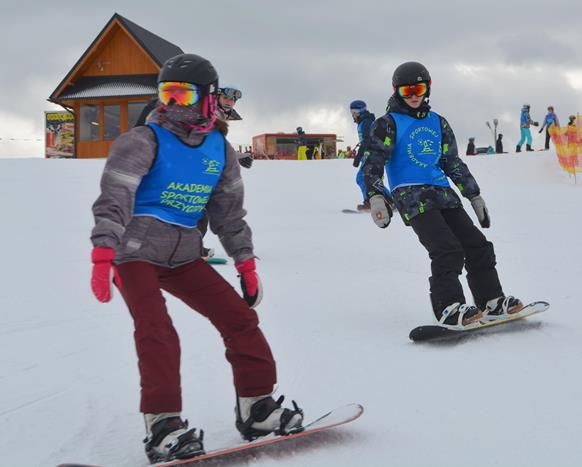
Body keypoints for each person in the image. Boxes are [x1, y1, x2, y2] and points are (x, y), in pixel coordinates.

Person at [89, 53, 303, 463]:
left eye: (183, 94)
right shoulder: (143, 140)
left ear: (207, 97)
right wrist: (103, 254)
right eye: (166, 93)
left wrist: (245, 262)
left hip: (184, 256)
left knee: (239, 320)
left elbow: (228, 215)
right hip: (133, 255)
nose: (172, 103)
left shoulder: (219, 149)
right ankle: (163, 427)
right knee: (157, 330)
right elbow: (114, 197)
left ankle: (257, 408)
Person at [362, 61, 523, 329]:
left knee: (477, 245)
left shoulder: (438, 122)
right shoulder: (387, 124)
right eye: (406, 91)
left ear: (427, 89)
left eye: (418, 89)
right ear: (396, 91)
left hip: (443, 193)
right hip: (412, 196)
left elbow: (452, 162)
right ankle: (449, 307)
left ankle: (491, 300)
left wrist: (473, 195)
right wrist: (377, 196)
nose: (413, 96)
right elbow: (373, 162)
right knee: (446, 248)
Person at [350, 100, 376, 210]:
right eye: (352, 112)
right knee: (369, 179)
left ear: (361, 111)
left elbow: (367, 140)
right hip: (367, 155)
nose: (353, 114)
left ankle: (370, 202)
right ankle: (384, 201)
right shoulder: (363, 122)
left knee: (362, 178)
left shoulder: (366, 122)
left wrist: (358, 156)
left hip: (370, 154)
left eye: (355, 111)